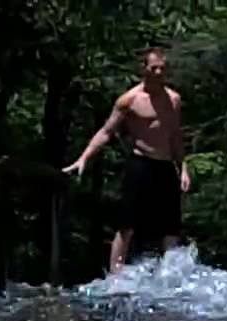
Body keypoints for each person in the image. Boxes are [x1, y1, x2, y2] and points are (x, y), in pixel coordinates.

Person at [63, 47, 192, 273]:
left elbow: (175, 136)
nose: (159, 72)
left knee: (171, 226)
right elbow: (106, 131)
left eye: (163, 68)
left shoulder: (173, 100)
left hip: (165, 165)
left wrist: (183, 168)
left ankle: (171, 275)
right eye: (154, 68)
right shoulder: (130, 100)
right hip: (141, 163)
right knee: (127, 223)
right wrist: (84, 158)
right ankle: (116, 274)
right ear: (144, 69)